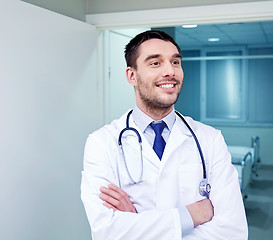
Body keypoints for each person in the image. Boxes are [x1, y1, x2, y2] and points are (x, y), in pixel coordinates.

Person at [81, 30, 248, 239]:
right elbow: (107, 231)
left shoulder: (210, 139)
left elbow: (232, 230)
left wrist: (138, 223)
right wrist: (192, 215)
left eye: (175, 62)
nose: (170, 71)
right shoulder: (102, 143)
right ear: (132, 76)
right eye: (155, 63)